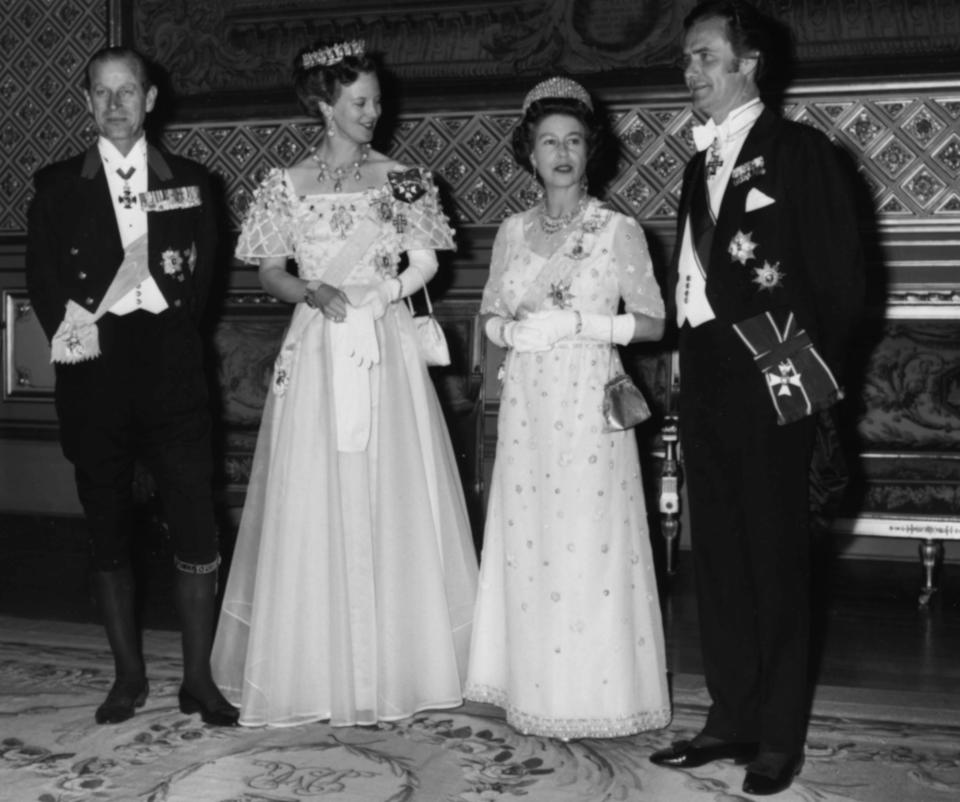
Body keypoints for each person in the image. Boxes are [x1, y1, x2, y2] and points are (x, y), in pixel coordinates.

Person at [210, 39, 479, 727]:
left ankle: (397, 664)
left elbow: (425, 261)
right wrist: (310, 289)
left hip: (383, 342)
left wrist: (384, 289)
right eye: (360, 102)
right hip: (318, 343)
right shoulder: (285, 183)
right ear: (325, 105)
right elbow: (269, 269)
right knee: (315, 495)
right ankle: (318, 667)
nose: (374, 112)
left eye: (377, 100)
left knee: (389, 492)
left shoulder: (403, 176)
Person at [648, 2, 864, 795]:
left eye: (704, 57)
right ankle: (729, 717)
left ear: (750, 62)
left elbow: (843, 284)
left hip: (776, 371)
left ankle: (778, 737)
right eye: (686, 60)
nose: (690, 73)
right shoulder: (692, 162)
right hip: (704, 372)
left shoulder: (802, 153)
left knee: (776, 561)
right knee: (721, 560)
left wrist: (804, 377)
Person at [25, 47, 237, 727]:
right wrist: (89, 351)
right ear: (87, 102)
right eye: (101, 93)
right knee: (108, 529)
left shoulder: (193, 183)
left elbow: (201, 290)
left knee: (196, 528)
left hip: (172, 373)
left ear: (151, 101)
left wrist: (163, 341)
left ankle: (199, 681)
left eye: (127, 92)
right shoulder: (57, 186)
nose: (115, 104)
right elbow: (47, 287)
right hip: (95, 374)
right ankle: (127, 679)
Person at [464, 77, 672, 740]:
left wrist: (583, 325)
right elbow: (491, 312)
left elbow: (653, 322)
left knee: (589, 540)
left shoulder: (617, 230)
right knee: (533, 539)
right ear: (529, 153)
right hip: (528, 403)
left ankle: (596, 694)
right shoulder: (512, 231)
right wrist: (508, 334)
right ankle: (533, 685)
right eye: (548, 142)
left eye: (574, 142)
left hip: (589, 402)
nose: (561, 153)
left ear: (590, 153)